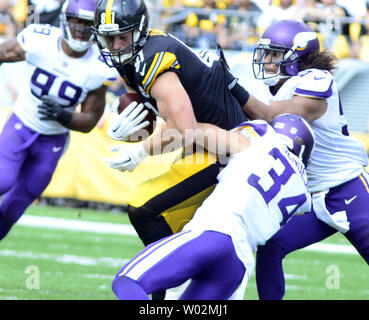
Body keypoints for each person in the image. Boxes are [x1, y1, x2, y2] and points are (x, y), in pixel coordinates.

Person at [92, 0, 249, 300]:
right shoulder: (133, 58)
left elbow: (184, 127)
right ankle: (183, 288)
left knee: (145, 208)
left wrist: (140, 153)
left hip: (224, 148)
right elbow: (155, 112)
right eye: (108, 38)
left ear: (138, 30)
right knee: (177, 224)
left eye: (121, 36)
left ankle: (164, 292)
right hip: (203, 144)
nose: (115, 45)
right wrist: (126, 125)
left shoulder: (153, 58)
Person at [229, 19, 369, 299]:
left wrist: (231, 85)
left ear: (297, 56)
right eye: (266, 54)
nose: (267, 61)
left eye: (274, 55)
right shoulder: (268, 90)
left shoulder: (317, 81)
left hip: (348, 190)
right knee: (271, 245)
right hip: (309, 197)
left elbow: (271, 115)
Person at [111, 114, 314, 300]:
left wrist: (175, 127)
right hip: (238, 263)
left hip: (210, 234)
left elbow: (200, 132)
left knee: (127, 281)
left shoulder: (262, 137)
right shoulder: (302, 191)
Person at [0, 0, 117, 240]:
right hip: (21, 123)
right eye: (78, 22)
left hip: (53, 140)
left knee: (19, 201)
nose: (82, 30)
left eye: (89, 25)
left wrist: (63, 115)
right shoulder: (39, 39)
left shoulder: (98, 67)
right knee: (3, 179)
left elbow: (90, 119)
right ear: (65, 20)